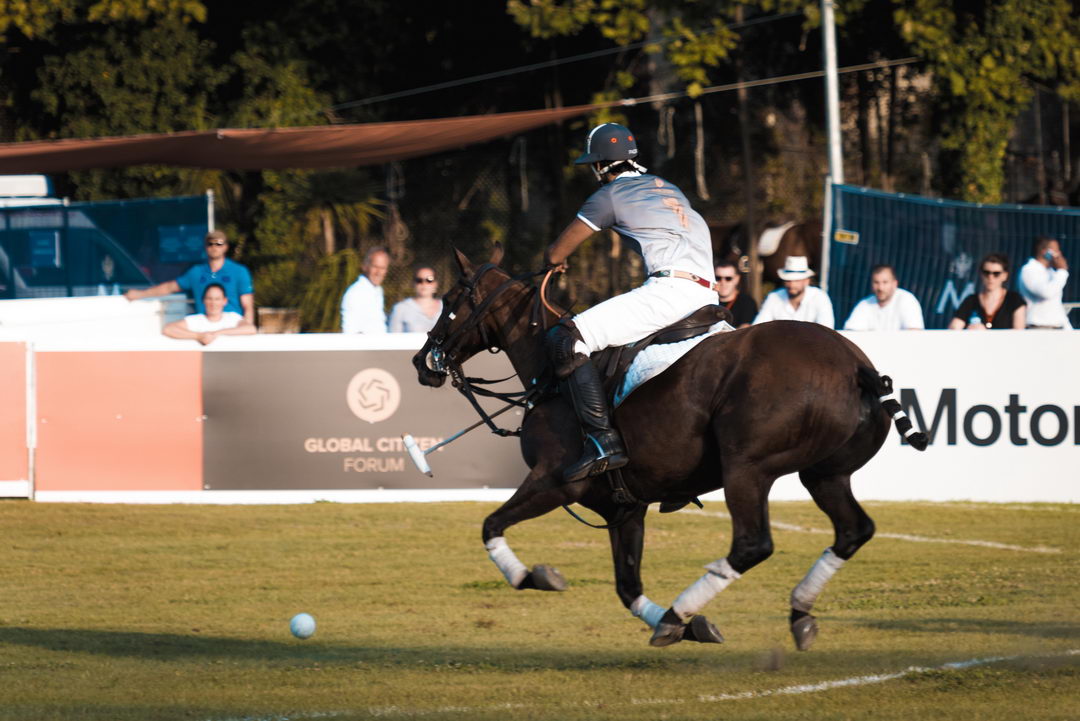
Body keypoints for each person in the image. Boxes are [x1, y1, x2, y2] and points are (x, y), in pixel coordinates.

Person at [543, 122, 717, 482]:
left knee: (568, 337)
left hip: (671, 293)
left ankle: (602, 441)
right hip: (708, 294)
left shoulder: (608, 196)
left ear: (600, 165)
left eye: (593, 165)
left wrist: (554, 261)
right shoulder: (667, 186)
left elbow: (556, 252)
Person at [125, 230, 254, 323]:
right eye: (210, 244)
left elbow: (247, 306)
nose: (214, 247)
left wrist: (246, 327)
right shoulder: (196, 272)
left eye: (219, 244)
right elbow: (170, 287)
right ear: (205, 247)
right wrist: (140, 294)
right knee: (170, 330)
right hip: (204, 326)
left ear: (225, 247)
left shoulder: (239, 271)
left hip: (231, 325)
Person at [948, 253, 1027, 330]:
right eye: (986, 273)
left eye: (996, 274)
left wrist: (986, 334)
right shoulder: (971, 301)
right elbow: (954, 327)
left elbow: (1019, 333)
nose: (990, 277)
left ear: (1005, 276)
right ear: (981, 274)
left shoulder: (1014, 300)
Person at [752, 256, 834, 327]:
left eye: (797, 280)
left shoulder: (820, 297)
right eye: (788, 280)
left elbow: (826, 330)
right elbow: (759, 326)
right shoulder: (774, 297)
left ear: (807, 281)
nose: (792, 285)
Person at [162, 283, 256, 345]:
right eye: (209, 299)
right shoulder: (196, 320)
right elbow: (168, 329)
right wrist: (199, 336)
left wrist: (217, 334)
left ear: (224, 301)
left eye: (217, 299)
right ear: (203, 300)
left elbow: (251, 329)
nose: (213, 303)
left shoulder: (232, 317)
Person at [843, 264, 925, 330]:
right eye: (876, 282)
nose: (880, 288)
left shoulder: (907, 300)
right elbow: (851, 332)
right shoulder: (865, 304)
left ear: (895, 283)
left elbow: (915, 333)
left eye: (885, 282)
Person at [1018, 236, 1072, 329]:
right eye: (1056, 250)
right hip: (1038, 327)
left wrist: (1067, 327)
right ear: (1044, 251)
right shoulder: (1029, 270)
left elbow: (1055, 304)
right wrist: (1062, 271)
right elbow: (1046, 293)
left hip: (1057, 327)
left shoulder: (1051, 271)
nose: (1059, 254)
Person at [341, 247, 390, 334]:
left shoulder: (378, 290)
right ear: (365, 267)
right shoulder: (355, 293)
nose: (378, 272)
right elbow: (350, 330)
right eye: (375, 267)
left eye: (382, 268)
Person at [389, 265, 443, 333]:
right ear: (413, 283)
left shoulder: (446, 307)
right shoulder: (400, 309)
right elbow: (393, 337)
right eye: (419, 280)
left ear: (436, 283)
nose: (424, 283)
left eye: (429, 280)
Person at [714, 260, 757, 328]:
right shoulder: (707, 300)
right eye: (718, 278)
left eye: (728, 278)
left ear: (737, 279)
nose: (723, 282)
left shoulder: (746, 302)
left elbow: (745, 329)